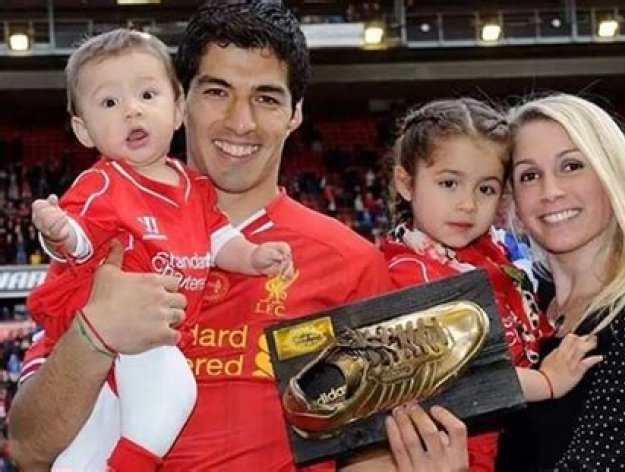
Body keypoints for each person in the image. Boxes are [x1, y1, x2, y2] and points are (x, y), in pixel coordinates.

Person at [9, 3, 395, 471]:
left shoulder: (352, 263)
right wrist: (95, 334)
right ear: (182, 100)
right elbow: (28, 450)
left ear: (295, 113)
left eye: (267, 98)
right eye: (217, 91)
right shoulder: (109, 240)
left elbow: (370, 453)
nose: (241, 122)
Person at [25, 28, 294, 470]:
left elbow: (217, 238)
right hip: (131, 328)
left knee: (97, 432)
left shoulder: (193, 187)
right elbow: (79, 237)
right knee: (174, 388)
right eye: (109, 103)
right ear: (83, 130)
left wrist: (252, 256)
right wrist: (58, 232)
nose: (132, 110)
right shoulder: (103, 183)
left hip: (152, 336)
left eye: (147, 95)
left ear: (177, 109)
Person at [381, 97, 602, 470]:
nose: (467, 204)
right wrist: (547, 382)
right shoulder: (407, 273)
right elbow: (462, 377)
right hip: (458, 449)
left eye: (485, 189)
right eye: (449, 183)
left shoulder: (489, 253)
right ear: (406, 182)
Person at [494, 93, 625, 470]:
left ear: (612, 177)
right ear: (513, 200)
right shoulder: (517, 308)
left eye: (571, 166)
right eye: (529, 175)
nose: (550, 191)